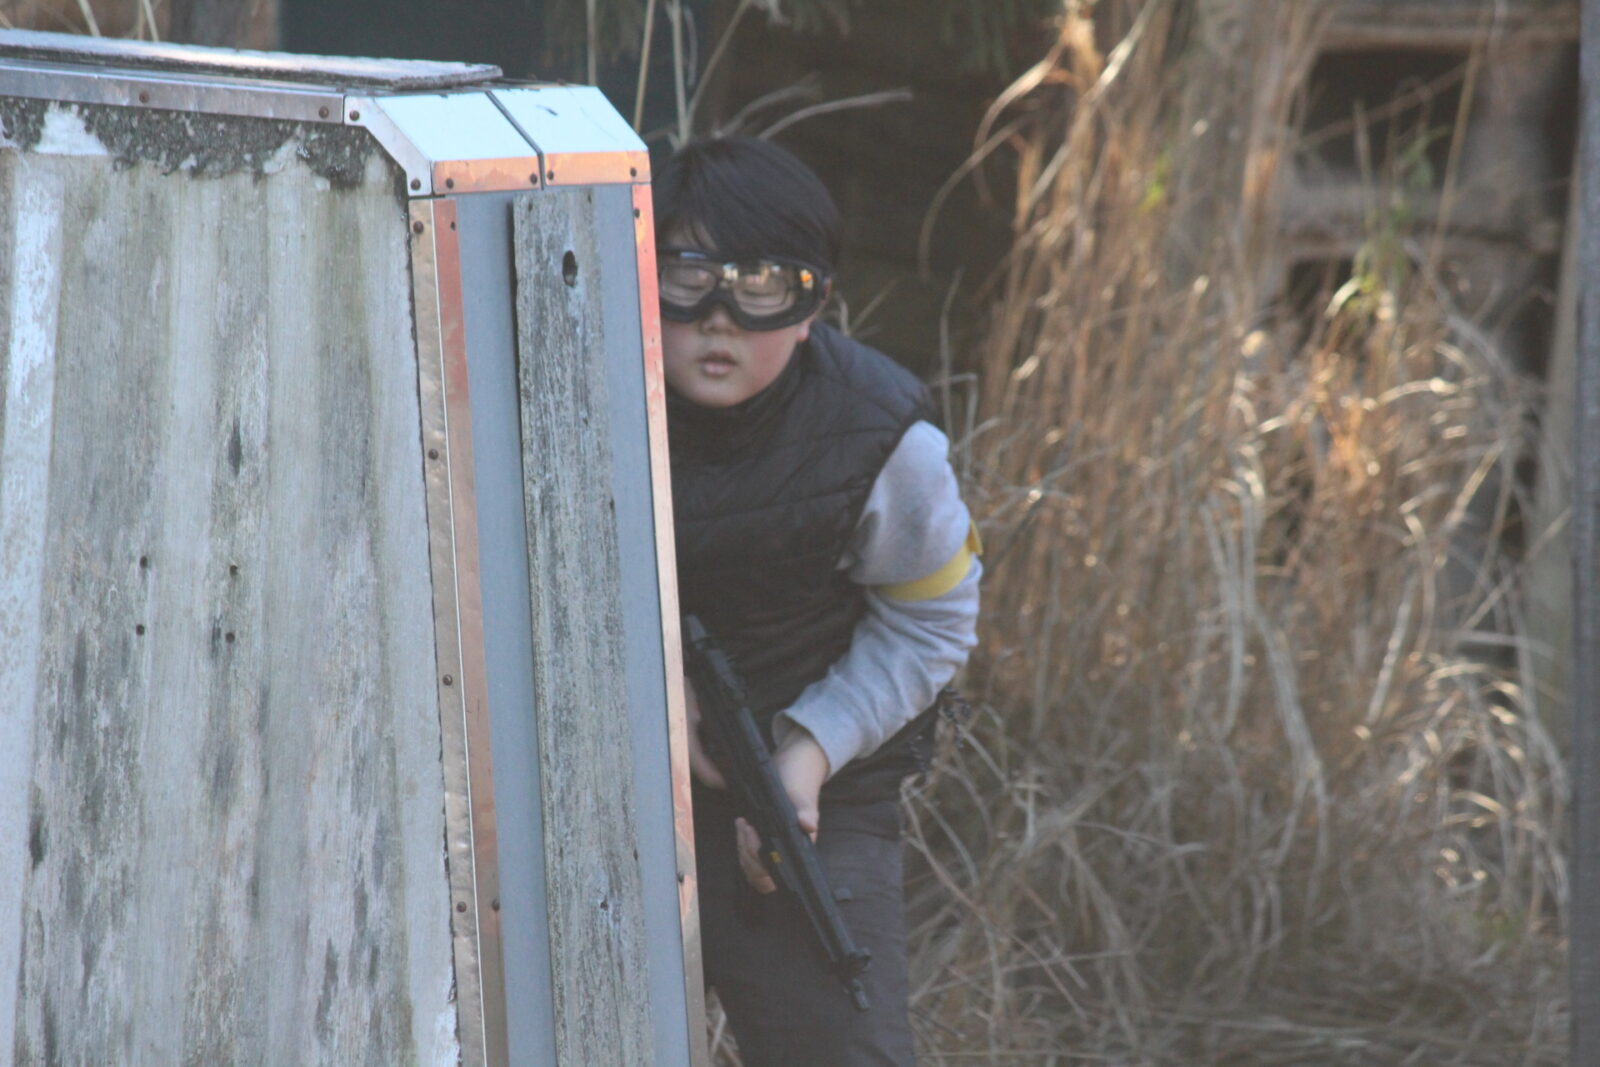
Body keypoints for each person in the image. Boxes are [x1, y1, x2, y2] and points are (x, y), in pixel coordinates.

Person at [658, 136, 981, 1066]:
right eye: (688, 275)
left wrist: (810, 751)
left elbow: (932, 620)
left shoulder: (881, 436)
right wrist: (650, 687)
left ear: (814, 307)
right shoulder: (562, 395)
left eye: (763, 284)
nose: (720, 318)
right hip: (605, 778)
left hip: (810, 791)